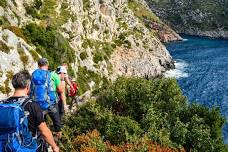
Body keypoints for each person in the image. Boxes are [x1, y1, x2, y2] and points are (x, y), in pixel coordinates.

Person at [1, 70, 59, 152]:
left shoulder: (2, 104)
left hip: (6, 148)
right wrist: (54, 146)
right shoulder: (32, 105)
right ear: (28, 86)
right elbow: (44, 131)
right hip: (27, 148)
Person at [30, 58, 64, 139]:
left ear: (38, 65)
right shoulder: (50, 74)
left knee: (40, 124)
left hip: (37, 105)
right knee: (57, 122)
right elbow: (59, 89)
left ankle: (41, 139)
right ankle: (60, 140)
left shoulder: (34, 74)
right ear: (47, 65)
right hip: (51, 104)